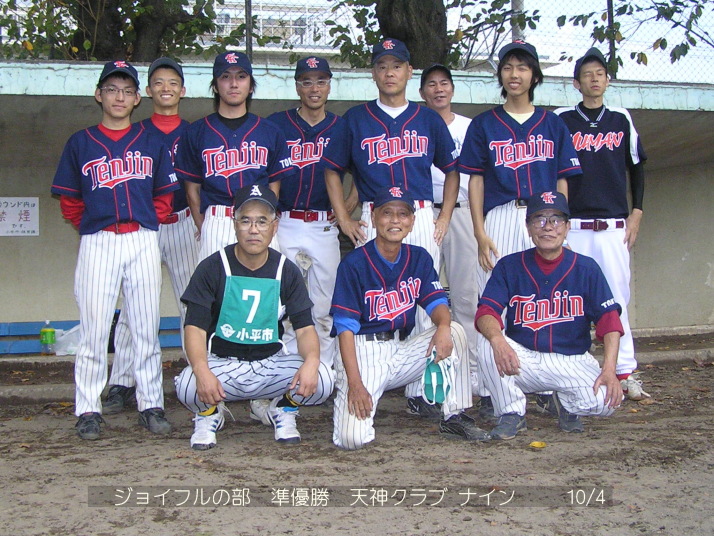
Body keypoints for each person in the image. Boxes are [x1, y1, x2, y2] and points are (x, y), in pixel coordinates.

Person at [322, 37, 461, 418]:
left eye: (396, 66)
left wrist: (445, 215)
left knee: (426, 304)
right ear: (373, 73)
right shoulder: (355, 119)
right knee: (373, 300)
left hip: (419, 213)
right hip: (374, 215)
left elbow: (452, 170)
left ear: (409, 71)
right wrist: (344, 217)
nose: (389, 73)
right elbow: (332, 170)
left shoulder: (428, 119)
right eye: (382, 66)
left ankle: (422, 391)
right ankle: (369, 374)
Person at [51, 60, 179, 439]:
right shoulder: (80, 142)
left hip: (142, 239)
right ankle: (88, 409)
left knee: (145, 328)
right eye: (112, 89)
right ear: (99, 95)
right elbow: (70, 202)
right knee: (93, 331)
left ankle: (151, 404)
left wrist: (145, 223)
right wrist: (95, 227)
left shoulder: (152, 142)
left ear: (138, 98)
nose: (119, 97)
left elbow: (164, 197)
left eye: (127, 90)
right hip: (99, 240)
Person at [458, 40, 582, 418]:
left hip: (544, 217)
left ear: (534, 75)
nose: (515, 74)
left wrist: (560, 223)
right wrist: (479, 232)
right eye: (508, 67)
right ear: (501, 75)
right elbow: (475, 181)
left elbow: (563, 178)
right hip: (500, 216)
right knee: (493, 303)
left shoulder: (552, 123)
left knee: (540, 302)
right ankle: (493, 389)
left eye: (523, 67)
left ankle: (543, 384)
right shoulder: (484, 124)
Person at [174, 184, 334, 450]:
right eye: (245, 220)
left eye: (262, 221)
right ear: (234, 224)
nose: (253, 229)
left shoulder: (286, 270)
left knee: (324, 377)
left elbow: (305, 329)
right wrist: (202, 370)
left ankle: (283, 408)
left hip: (271, 364)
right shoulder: (212, 266)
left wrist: (312, 361)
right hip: (223, 364)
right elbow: (195, 328)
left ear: (274, 226)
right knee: (187, 385)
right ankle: (208, 413)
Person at [330, 186, 490, 449]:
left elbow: (436, 302)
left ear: (412, 221)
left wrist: (443, 325)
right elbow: (344, 330)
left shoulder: (418, 257)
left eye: (403, 214)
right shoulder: (354, 263)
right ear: (374, 218)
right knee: (352, 440)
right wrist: (355, 384)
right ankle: (354, 393)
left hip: (402, 349)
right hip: (363, 352)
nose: (395, 220)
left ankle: (454, 415)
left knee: (454, 331)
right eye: (387, 213)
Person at [475, 191, 624, 439]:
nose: (548, 227)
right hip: (524, 360)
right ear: (528, 228)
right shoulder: (509, 265)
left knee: (606, 403)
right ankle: (511, 412)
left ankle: (566, 403)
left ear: (567, 228)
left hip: (571, 361)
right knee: (486, 341)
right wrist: (498, 340)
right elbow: (486, 311)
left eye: (556, 220)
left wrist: (610, 369)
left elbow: (609, 321)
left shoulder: (586, 268)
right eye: (539, 219)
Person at [554, 47, 649, 400]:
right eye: (587, 74)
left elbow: (637, 167)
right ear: (576, 83)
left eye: (600, 73)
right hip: (575, 226)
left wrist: (636, 212)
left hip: (612, 226)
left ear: (608, 80)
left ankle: (625, 371)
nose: (594, 79)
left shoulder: (620, 118)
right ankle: (571, 369)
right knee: (569, 300)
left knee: (616, 300)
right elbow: (553, 170)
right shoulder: (563, 119)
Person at [106, 57, 199, 414]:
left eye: (172, 82)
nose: (165, 88)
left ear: (182, 90)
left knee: (191, 303)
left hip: (181, 221)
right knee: (133, 304)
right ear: (146, 91)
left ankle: (198, 375)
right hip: (143, 226)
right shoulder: (136, 132)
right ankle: (122, 381)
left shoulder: (193, 132)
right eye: (158, 82)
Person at [175, 51, 294, 263]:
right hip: (217, 218)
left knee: (263, 282)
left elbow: (274, 185)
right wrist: (204, 226)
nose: (233, 84)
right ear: (215, 86)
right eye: (225, 76)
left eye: (241, 76)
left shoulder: (270, 131)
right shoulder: (196, 132)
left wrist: (267, 219)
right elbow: (192, 190)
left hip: (258, 218)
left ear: (251, 85)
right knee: (215, 283)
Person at [265, 57, 346, 368]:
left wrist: (347, 208)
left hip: (323, 223)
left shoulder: (341, 127)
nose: (314, 88)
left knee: (324, 306)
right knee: (285, 304)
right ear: (297, 87)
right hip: (286, 221)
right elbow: (268, 174)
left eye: (321, 81)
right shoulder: (277, 124)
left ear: (329, 86)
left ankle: (322, 373)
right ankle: (288, 372)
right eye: (307, 82)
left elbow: (361, 170)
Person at [419, 63, 485, 417]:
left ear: (453, 89)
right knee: (422, 300)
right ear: (422, 92)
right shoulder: (415, 122)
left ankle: (470, 371)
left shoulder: (469, 127)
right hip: (420, 213)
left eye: (444, 83)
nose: (438, 89)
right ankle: (422, 378)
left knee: (465, 296)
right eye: (431, 84)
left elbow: (476, 175)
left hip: (459, 212)